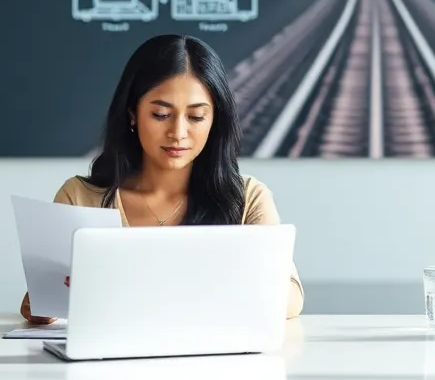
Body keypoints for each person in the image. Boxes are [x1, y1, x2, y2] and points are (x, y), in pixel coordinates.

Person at [21, 34, 304, 323]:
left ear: (215, 120)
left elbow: (290, 296)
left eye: (196, 117)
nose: (178, 132)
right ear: (132, 113)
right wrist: (44, 304)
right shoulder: (80, 197)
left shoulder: (247, 197)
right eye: (161, 114)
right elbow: (49, 298)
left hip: (216, 364)